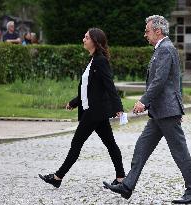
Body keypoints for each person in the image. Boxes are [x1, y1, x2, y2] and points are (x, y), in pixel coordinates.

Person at [103, 15, 191, 204]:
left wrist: (144, 101)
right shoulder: (162, 49)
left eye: (147, 31)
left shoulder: (165, 49)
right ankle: (127, 186)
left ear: (158, 31)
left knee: (180, 152)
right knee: (142, 147)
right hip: (160, 112)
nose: (145, 35)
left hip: (166, 111)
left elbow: (160, 80)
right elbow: (175, 82)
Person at [39, 28, 126, 188]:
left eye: (86, 37)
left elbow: (109, 85)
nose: (83, 39)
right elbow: (88, 89)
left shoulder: (100, 60)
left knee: (76, 143)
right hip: (93, 111)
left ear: (94, 41)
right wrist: (74, 102)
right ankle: (121, 178)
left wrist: (118, 107)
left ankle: (57, 178)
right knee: (110, 144)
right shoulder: (93, 60)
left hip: (94, 112)